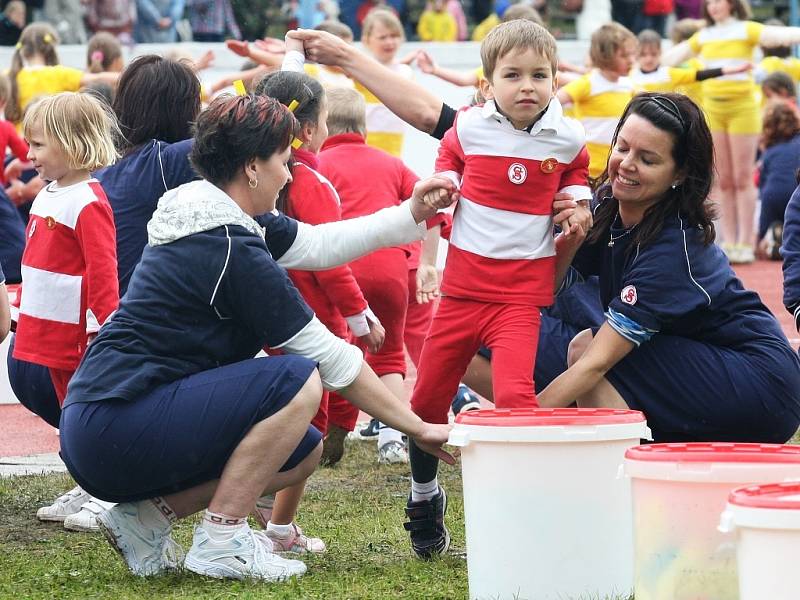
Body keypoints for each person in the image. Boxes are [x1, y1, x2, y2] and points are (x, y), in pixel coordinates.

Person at [59, 93, 454, 581]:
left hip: (104, 423)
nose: (289, 175)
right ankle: (220, 542)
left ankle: (146, 519)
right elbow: (332, 359)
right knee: (297, 379)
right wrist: (418, 427)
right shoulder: (228, 244)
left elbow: (321, 242)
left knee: (301, 449)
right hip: (113, 426)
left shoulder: (215, 212)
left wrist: (410, 213)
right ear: (251, 167)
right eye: (283, 162)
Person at [404, 20, 593, 560]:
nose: (527, 85)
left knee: (516, 403)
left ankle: (520, 512)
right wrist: (444, 187)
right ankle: (424, 495)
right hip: (462, 295)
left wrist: (578, 205)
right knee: (424, 406)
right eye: (513, 75)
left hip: (519, 301)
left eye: (540, 75)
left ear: (556, 80)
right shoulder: (467, 128)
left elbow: (577, 174)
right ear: (488, 84)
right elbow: (446, 159)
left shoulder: (568, 137)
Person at [536, 92, 800, 447]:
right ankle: (623, 473)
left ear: (679, 174)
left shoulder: (673, 247)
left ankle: (620, 484)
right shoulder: (609, 203)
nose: (627, 164)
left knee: (587, 351)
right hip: (701, 364)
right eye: (623, 147)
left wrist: (515, 428)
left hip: (763, 384)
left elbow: (594, 364)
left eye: (647, 159)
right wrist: (569, 242)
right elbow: (543, 292)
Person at [253, 70, 380, 552]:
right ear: (308, 130)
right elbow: (329, 258)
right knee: (308, 426)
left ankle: (262, 508)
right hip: (310, 324)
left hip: (259, 320)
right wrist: (357, 313)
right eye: (324, 120)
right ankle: (280, 529)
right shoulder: (311, 182)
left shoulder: (251, 176)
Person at [14, 92, 120, 531]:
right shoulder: (49, 194)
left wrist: (110, 323)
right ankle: (85, 480)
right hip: (47, 324)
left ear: (72, 144)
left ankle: (107, 491)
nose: (29, 154)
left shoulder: (88, 201)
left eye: (38, 145)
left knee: (86, 409)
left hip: (81, 331)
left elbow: (103, 267)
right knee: (66, 410)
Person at [317, 86, 434, 465]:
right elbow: (432, 207)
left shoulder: (317, 166)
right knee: (389, 356)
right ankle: (391, 438)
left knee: (336, 349)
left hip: (340, 266)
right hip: (390, 269)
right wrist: (428, 263)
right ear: (363, 127)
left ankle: (332, 426)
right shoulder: (391, 162)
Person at [662, 0, 800, 264]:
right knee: (723, 179)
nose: (713, 6)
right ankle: (728, 241)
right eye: (709, 2)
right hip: (714, 109)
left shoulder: (747, 29)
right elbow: (668, 58)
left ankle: (745, 242)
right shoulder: (705, 36)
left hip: (743, 109)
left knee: (742, 177)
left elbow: (783, 35)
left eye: (718, 1)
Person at [557, 23, 637, 179]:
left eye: (632, 55)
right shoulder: (589, 83)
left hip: (615, 168)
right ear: (605, 56)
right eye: (624, 56)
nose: (632, 60)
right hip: (588, 169)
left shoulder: (629, 85)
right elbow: (555, 101)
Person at [7, 23, 120, 127]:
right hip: (49, 141)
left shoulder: (8, 75)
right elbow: (98, 78)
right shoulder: (59, 74)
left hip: (14, 142)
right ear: (50, 48)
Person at [631, 28, 753, 93]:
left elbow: (699, 75)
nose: (649, 59)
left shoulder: (667, 73)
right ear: (636, 55)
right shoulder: (631, 76)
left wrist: (730, 69)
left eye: (653, 54)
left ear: (660, 53)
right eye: (643, 55)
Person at [756, 101, 800, 260]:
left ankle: (770, 240)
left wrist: (761, 232)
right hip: (796, 191)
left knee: (768, 229)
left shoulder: (770, 152)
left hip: (773, 196)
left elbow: (762, 187)